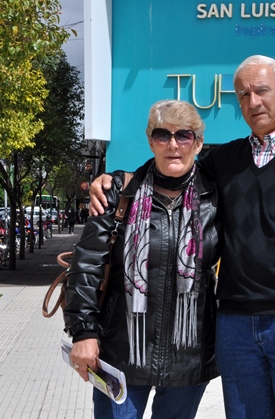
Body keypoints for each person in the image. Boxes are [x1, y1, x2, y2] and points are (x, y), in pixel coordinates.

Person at [89, 55, 275, 419]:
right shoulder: (224, 161)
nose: (253, 102)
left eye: (262, 91)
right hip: (235, 324)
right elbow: (172, 165)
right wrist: (116, 178)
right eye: (243, 94)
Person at [63, 100, 221, 419]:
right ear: (151, 141)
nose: (173, 145)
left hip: (188, 358)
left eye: (184, 136)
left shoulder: (217, 198)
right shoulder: (119, 193)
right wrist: (83, 332)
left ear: (199, 143)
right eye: (162, 135)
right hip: (120, 353)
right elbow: (87, 266)